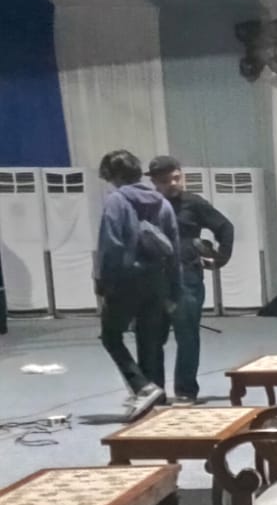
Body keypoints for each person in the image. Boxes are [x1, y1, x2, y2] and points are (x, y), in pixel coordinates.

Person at [96, 149, 178, 419]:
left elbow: (111, 246)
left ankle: (142, 387)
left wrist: (103, 283)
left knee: (111, 336)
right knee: (150, 341)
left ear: (114, 176)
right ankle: (156, 404)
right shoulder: (162, 203)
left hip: (125, 281)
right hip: (157, 281)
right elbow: (174, 250)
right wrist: (174, 289)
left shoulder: (116, 201)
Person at [146, 156, 233, 403]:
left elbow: (225, 227)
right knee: (152, 338)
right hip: (154, 280)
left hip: (187, 278)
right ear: (155, 182)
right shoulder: (147, 205)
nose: (173, 184)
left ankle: (185, 391)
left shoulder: (193, 203)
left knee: (187, 337)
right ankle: (154, 392)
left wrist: (220, 258)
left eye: (176, 178)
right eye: (166, 180)